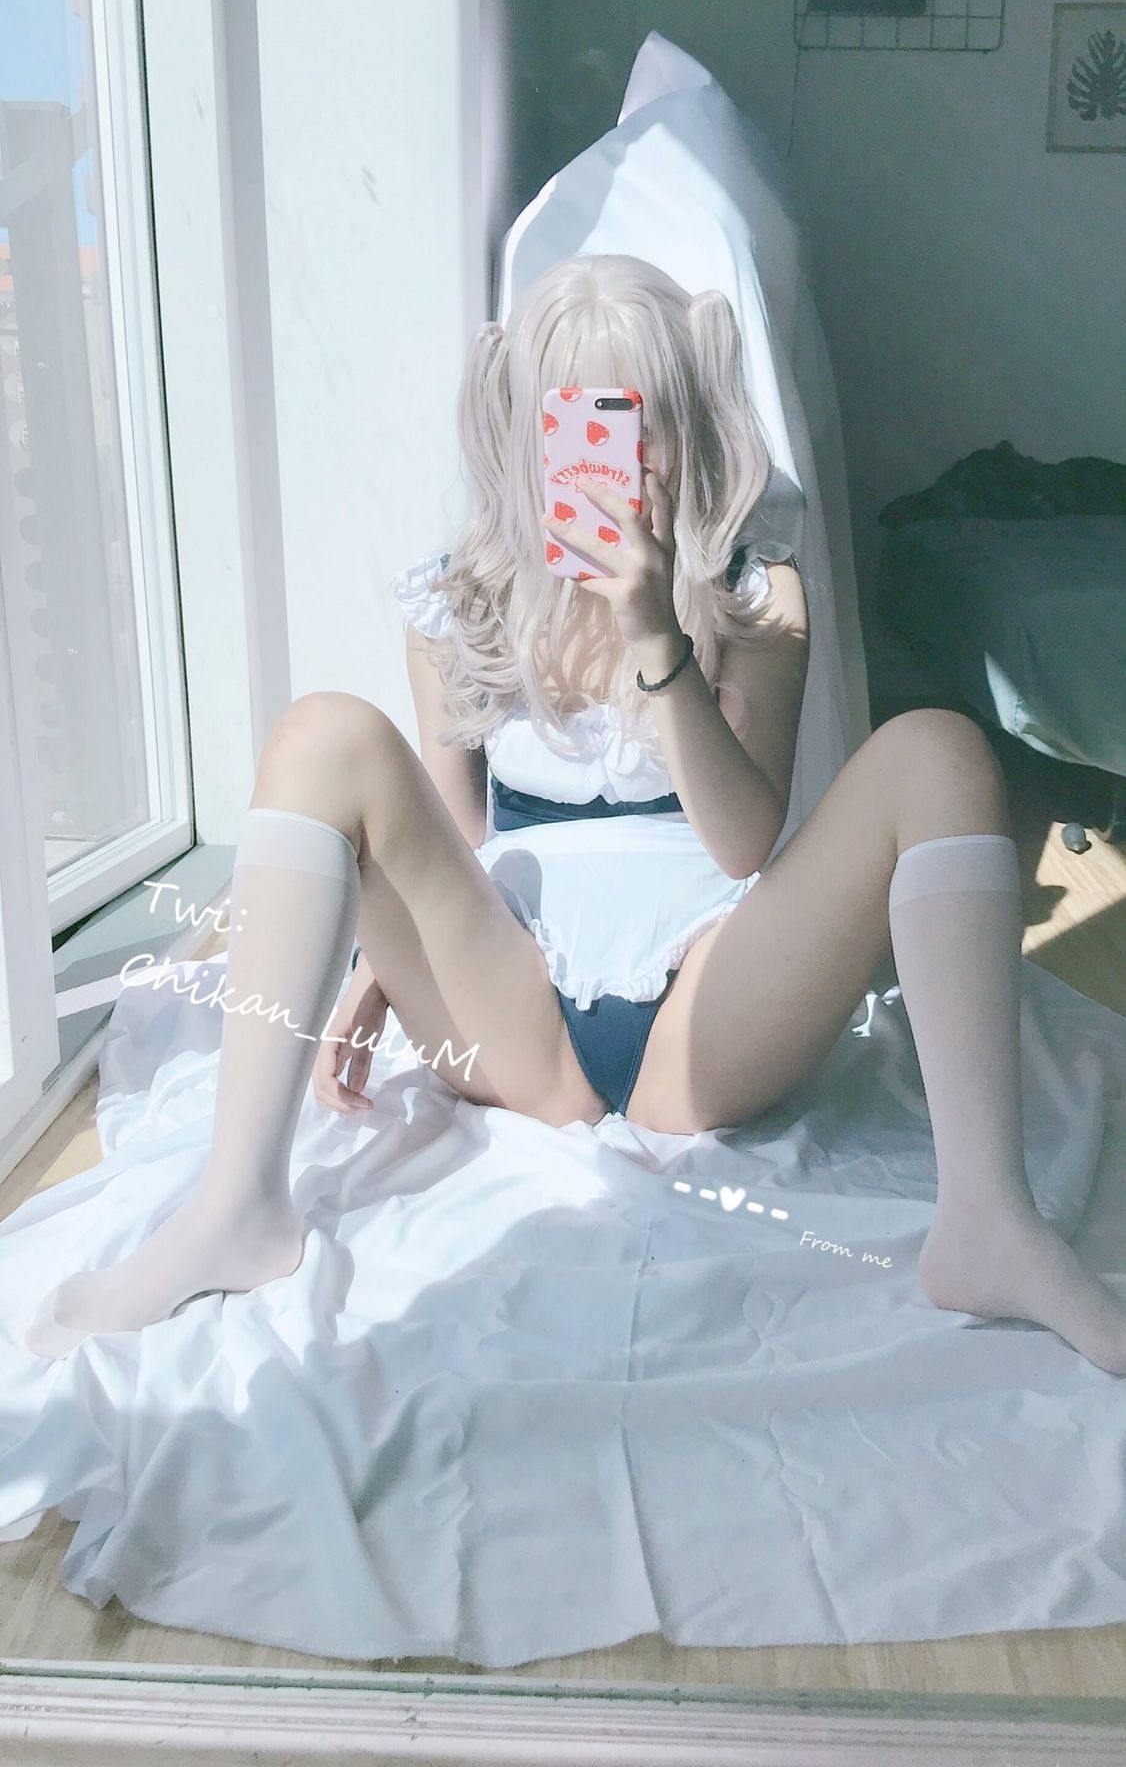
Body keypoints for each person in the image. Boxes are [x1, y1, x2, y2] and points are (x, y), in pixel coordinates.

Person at [26, 254, 1126, 1375]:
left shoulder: (756, 594)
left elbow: (742, 842)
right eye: (581, 426)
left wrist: (658, 638)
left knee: (939, 750)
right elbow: (450, 843)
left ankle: (988, 1221)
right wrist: (374, 967)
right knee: (320, 733)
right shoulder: (454, 604)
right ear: (525, 435)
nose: (619, 460)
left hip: (707, 1014)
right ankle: (237, 1204)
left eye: (639, 422)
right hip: (516, 1019)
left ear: (690, 424)